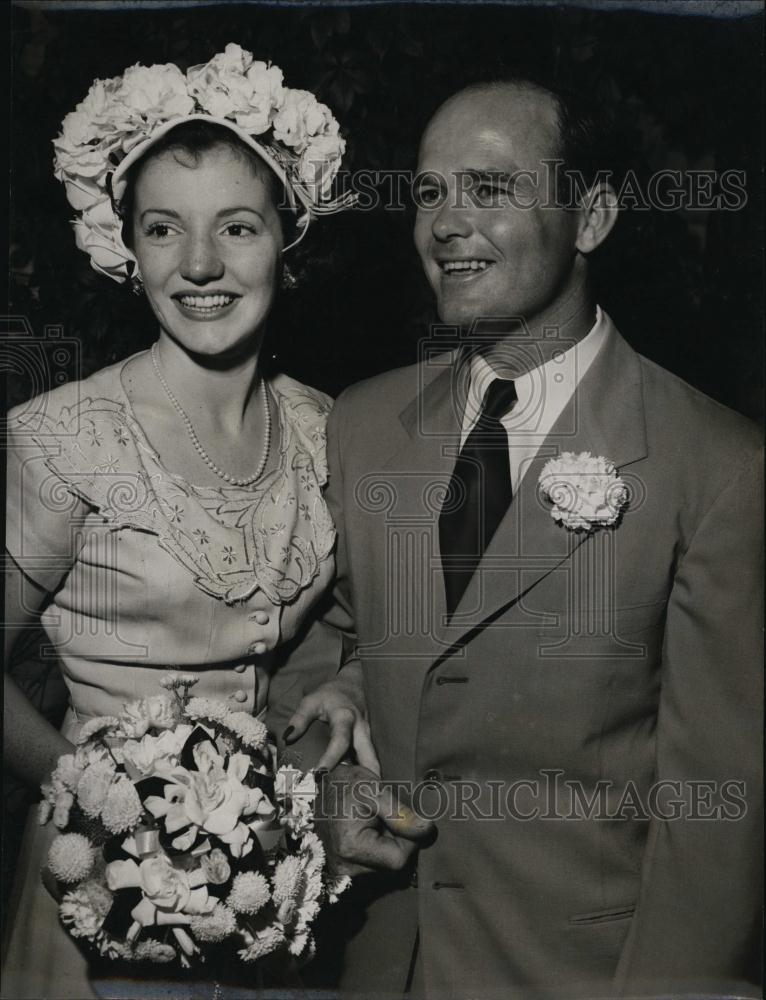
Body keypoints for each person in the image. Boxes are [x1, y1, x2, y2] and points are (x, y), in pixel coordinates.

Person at [269, 77, 763, 998]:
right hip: (375, 962)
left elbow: (719, 825)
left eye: (490, 190)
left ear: (594, 218)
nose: (445, 225)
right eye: (428, 193)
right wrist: (319, 790)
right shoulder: (364, 425)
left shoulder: (719, 468)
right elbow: (317, 647)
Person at [2, 44, 378, 1000]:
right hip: (100, 890)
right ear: (126, 247)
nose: (200, 265)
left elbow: (359, 628)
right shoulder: (66, 435)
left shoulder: (324, 428)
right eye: (164, 229)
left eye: (237, 228)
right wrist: (111, 809)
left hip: (269, 882)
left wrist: (348, 691)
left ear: (287, 242)